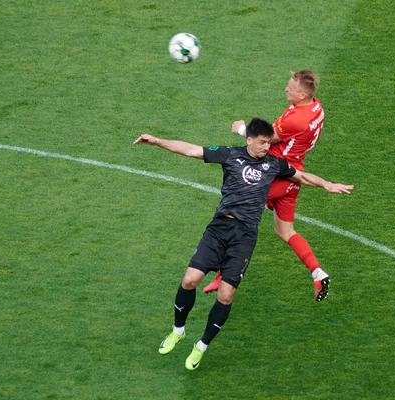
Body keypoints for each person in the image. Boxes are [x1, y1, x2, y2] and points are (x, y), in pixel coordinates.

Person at [133, 118, 353, 370]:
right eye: (261, 142)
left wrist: (327, 184)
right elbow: (191, 149)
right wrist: (158, 141)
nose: (265, 147)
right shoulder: (229, 155)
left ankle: (201, 346)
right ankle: (178, 330)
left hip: (245, 236)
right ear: (248, 139)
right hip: (219, 229)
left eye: (269, 143)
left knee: (226, 296)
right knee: (190, 280)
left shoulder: (275, 164)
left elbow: (301, 176)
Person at [203, 70, 334, 301]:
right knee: (285, 231)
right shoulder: (316, 108)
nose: (286, 89)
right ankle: (317, 272)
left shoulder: (296, 118)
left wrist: (242, 130)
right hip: (293, 175)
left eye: (291, 88)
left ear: (302, 94)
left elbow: (269, 137)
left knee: (235, 213)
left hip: (274, 172)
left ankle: (223, 273)